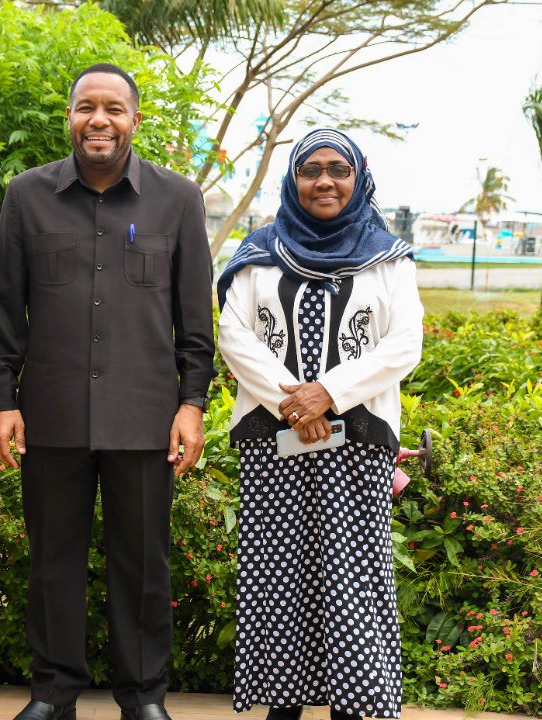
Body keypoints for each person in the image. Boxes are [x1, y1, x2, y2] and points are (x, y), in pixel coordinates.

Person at [0, 63, 216, 720]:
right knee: (52, 562)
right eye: (87, 106)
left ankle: (143, 698)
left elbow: (194, 320)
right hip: (50, 413)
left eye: (114, 108)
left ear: (135, 120)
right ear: (70, 117)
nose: (99, 119)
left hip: (144, 419)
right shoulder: (26, 196)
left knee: (143, 566)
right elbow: (5, 312)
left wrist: (192, 405)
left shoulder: (177, 200)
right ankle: (53, 695)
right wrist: (3, 401)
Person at [216, 127, 423, 720]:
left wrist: (327, 395)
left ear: (358, 179)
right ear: (293, 180)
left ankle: (352, 708)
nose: (324, 181)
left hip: (357, 445)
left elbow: (405, 341)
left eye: (338, 169)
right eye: (311, 170)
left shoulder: (389, 256)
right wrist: (293, 404)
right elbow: (234, 335)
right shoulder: (261, 251)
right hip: (271, 440)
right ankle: (283, 707)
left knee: (351, 582)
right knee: (279, 582)